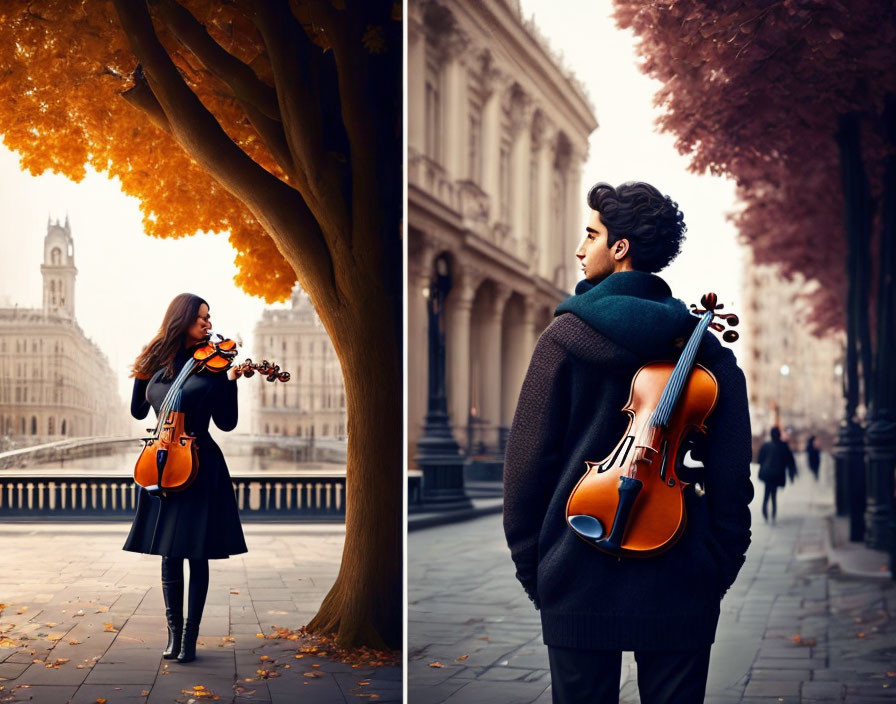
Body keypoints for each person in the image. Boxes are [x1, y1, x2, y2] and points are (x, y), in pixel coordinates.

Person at [503, 182, 753, 704]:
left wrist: (540, 569)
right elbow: (730, 479)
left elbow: (526, 466)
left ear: (620, 249)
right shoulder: (708, 351)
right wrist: (716, 566)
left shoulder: (562, 341)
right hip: (682, 577)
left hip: (575, 565)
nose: (579, 248)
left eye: (590, 234)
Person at [123, 293, 247, 663]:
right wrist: (143, 370)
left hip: (200, 463)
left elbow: (226, 422)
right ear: (182, 319)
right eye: (201, 318)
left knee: (195, 552)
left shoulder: (213, 364)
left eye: (209, 318)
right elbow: (137, 409)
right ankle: (173, 634)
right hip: (162, 461)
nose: (207, 324)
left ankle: (189, 639)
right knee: (168, 551)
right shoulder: (158, 361)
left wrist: (231, 381)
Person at [757, 426, 796, 523]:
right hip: (777, 474)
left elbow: (760, 460)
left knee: (766, 494)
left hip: (767, 474)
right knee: (773, 495)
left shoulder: (766, 445)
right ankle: (773, 515)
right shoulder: (783, 446)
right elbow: (790, 461)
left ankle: (765, 513)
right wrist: (792, 474)